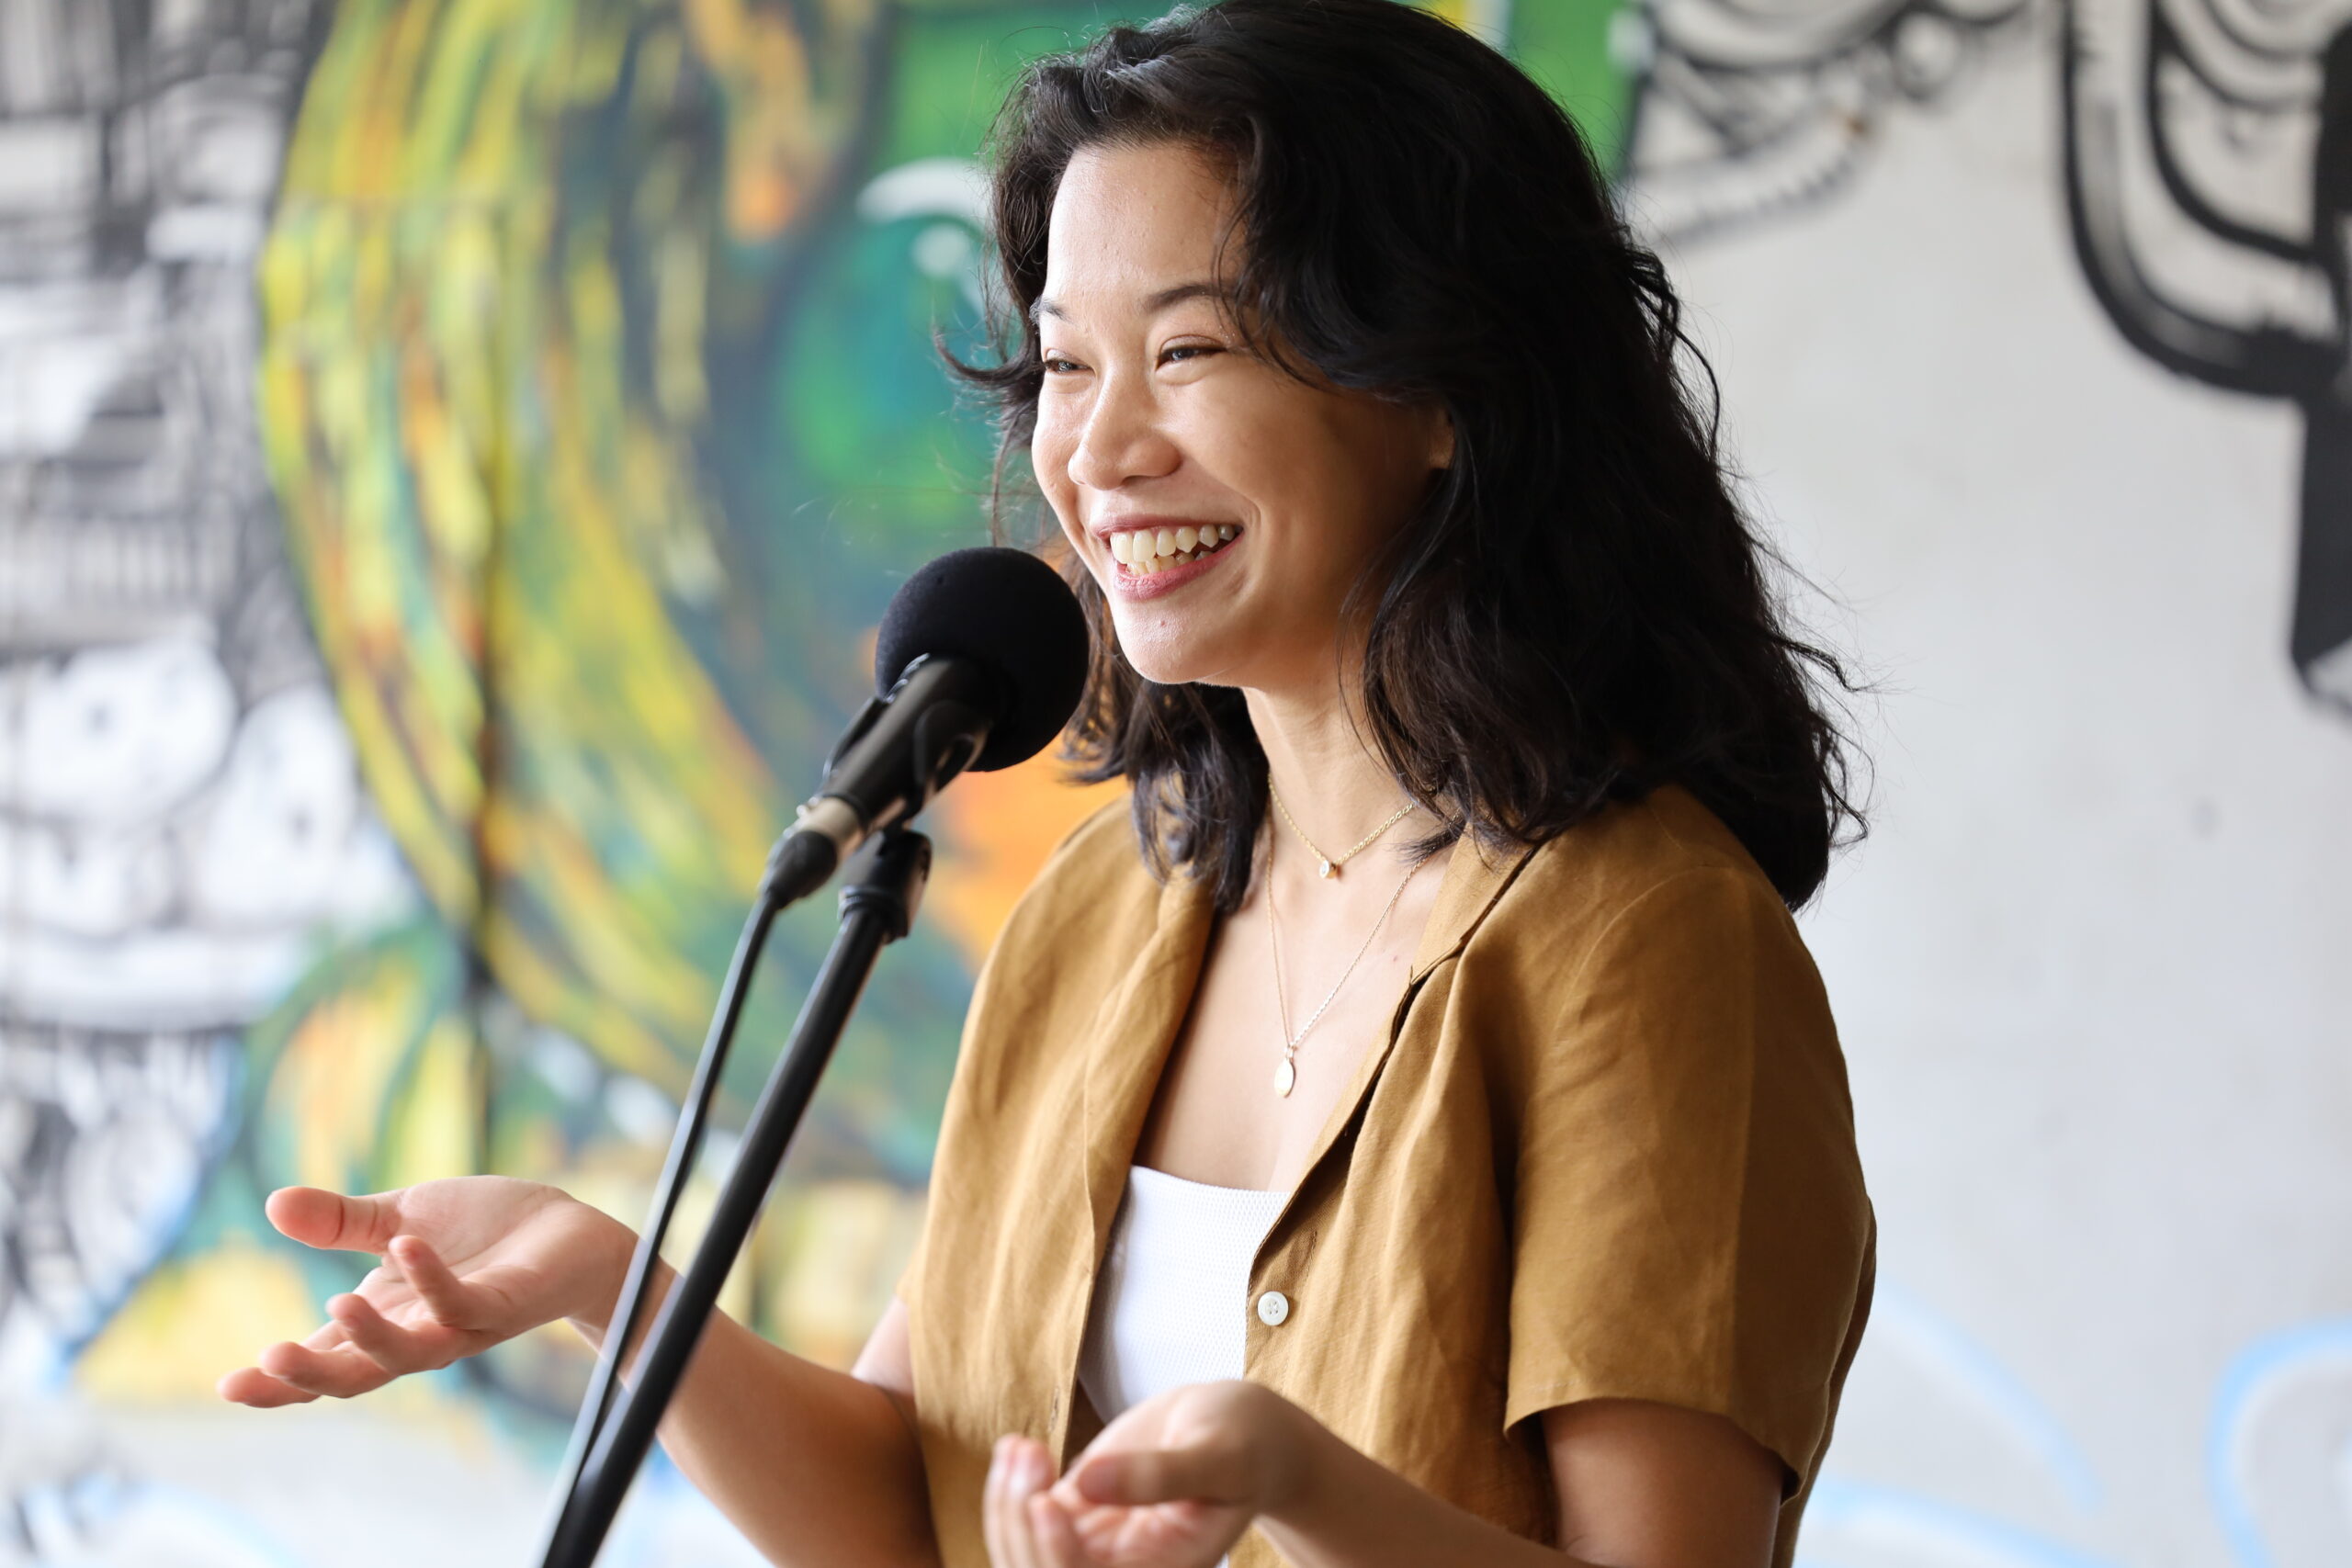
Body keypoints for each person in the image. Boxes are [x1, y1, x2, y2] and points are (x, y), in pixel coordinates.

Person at [217, 3, 1878, 1566]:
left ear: (1443, 390)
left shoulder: (1652, 941)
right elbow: (912, 1507)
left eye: (1192, 349)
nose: (1098, 449)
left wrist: (1298, 1485)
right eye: (1069, 365)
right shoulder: (1104, 904)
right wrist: (610, 1282)